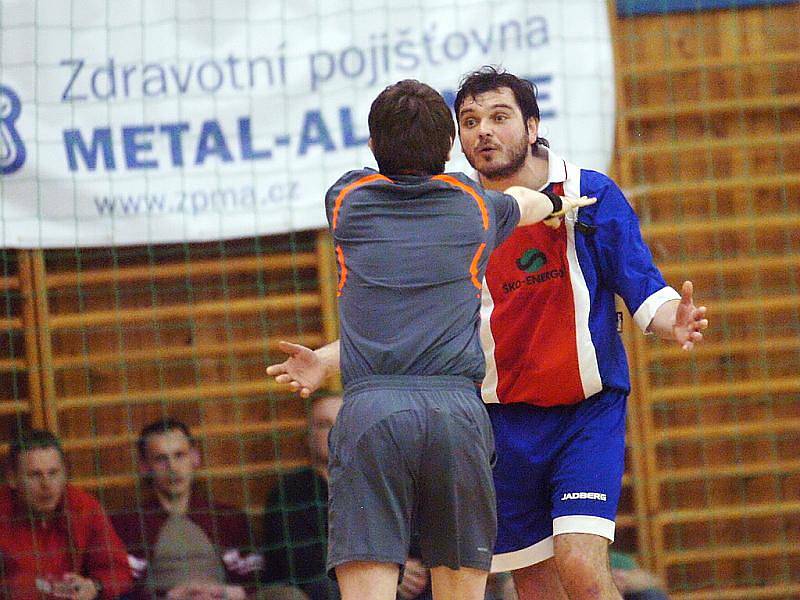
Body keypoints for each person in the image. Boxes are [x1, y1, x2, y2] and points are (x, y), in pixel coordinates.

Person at [267, 67, 707, 600]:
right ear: (455, 139)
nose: (484, 132)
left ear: (532, 124)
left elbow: (641, 282)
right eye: (470, 120)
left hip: (584, 411)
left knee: (582, 568)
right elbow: (425, 320)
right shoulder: (460, 211)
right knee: (536, 586)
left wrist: (670, 321)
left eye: (499, 117)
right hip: (499, 420)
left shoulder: (589, 194)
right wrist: (328, 359)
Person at [262, 395, 432, 600]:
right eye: (324, 425)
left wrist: (398, 570)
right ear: (308, 436)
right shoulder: (289, 493)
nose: (336, 432)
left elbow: (420, 543)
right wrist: (380, 574)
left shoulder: (385, 483)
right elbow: (301, 564)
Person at [113, 419, 298, 600]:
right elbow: (122, 587)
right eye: (161, 459)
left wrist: (229, 593)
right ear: (145, 467)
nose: (173, 468)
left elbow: (257, 578)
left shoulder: (228, 517)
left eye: (179, 455)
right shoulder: (127, 525)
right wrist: (168, 596)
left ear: (195, 458)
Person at [0, 428, 133, 600]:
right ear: (12, 479)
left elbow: (119, 571)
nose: (47, 485)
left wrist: (94, 586)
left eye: (53, 473)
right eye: (34, 475)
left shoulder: (84, 508)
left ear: (64, 474)